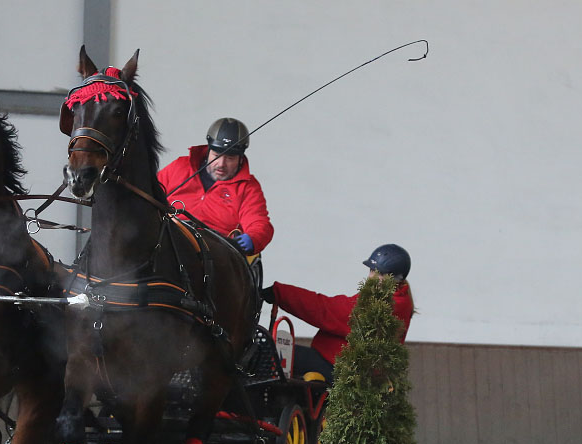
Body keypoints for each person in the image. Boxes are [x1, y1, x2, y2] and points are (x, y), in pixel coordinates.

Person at [261, 244, 415, 384]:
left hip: (341, 368)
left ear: (394, 279)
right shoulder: (397, 297)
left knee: (266, 354)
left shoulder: (382, 305)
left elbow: (325, 310)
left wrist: (280, 293)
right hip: (344, 365)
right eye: (371, 271)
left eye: (379, 274)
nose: (371, 277)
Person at [157, 117, 274, 254]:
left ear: (240, 158)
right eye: (216, 155)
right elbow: (151, 193)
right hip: (169, 240)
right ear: (208, 151)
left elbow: (259, 224)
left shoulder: (248, 187)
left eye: (230, 158)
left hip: (216, 251)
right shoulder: (180, 167)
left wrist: (253, 238)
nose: (221, 164)